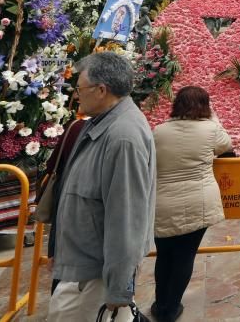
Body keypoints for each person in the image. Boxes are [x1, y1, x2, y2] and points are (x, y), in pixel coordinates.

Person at [49, 52, 156, 321]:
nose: (76, 95)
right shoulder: (100, 123)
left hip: (94, 278)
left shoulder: (122, 137)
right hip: (83, 265)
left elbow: (126, 218)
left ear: (101, 90)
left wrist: (119, 289)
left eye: (80, 88)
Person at [152, 86, 232, 322]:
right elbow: (226, 145)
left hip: (163, 203)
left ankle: (161, 303)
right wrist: (214, 117)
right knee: (185, 257)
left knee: (164, 256)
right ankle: (171, 307)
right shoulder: (210, 129)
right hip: (199, 201)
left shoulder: (159, 131)